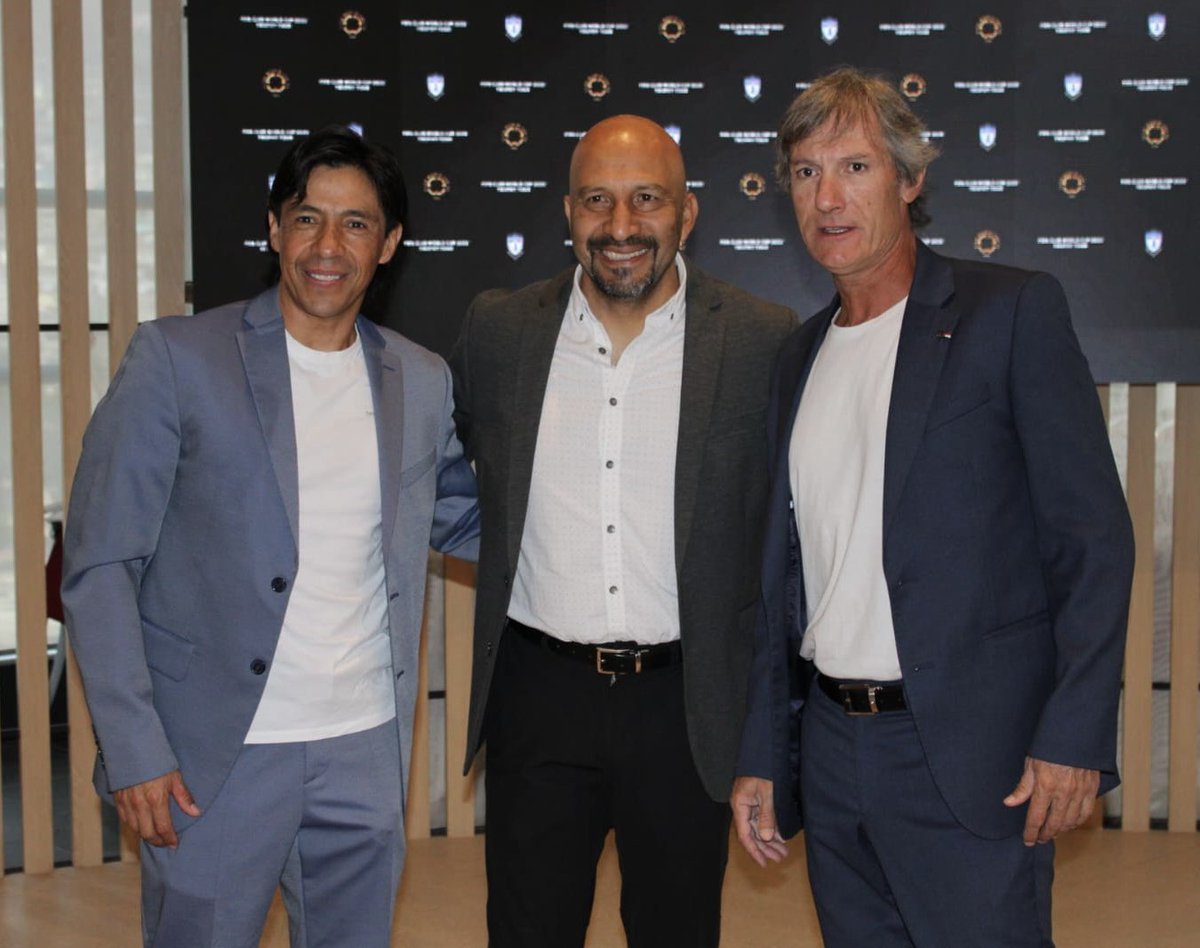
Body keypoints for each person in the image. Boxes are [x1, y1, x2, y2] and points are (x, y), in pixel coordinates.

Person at [732, 67, 1134, 947]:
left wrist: (1073, 734)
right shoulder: (796, 359)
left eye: (855, 167)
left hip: (969, 754)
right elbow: (784, 581)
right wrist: (766, 754)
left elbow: (1093, 538)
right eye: (806, 172)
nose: (827, 198)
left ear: (910, 179)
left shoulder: (1009, 313)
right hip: (832, 754)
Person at [62, 126, 479, 946]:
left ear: (389, 243)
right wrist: (135, 747)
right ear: (274, 228)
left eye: (356, 224)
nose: (328, 246)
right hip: (212, 755)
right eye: (307, 218)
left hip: (363, 748)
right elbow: (100, 564)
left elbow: (462, 517)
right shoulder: (178, 358)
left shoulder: (421, 378)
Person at [449, 115, 796, 947]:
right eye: (597, 201)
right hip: (539, 694)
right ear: (568, 212)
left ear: (688, 212)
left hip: (685, 704)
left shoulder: (761, 339)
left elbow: (786, 541)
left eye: (647, 199)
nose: (620, 226)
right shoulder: (499, 331)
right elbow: (448, 472)